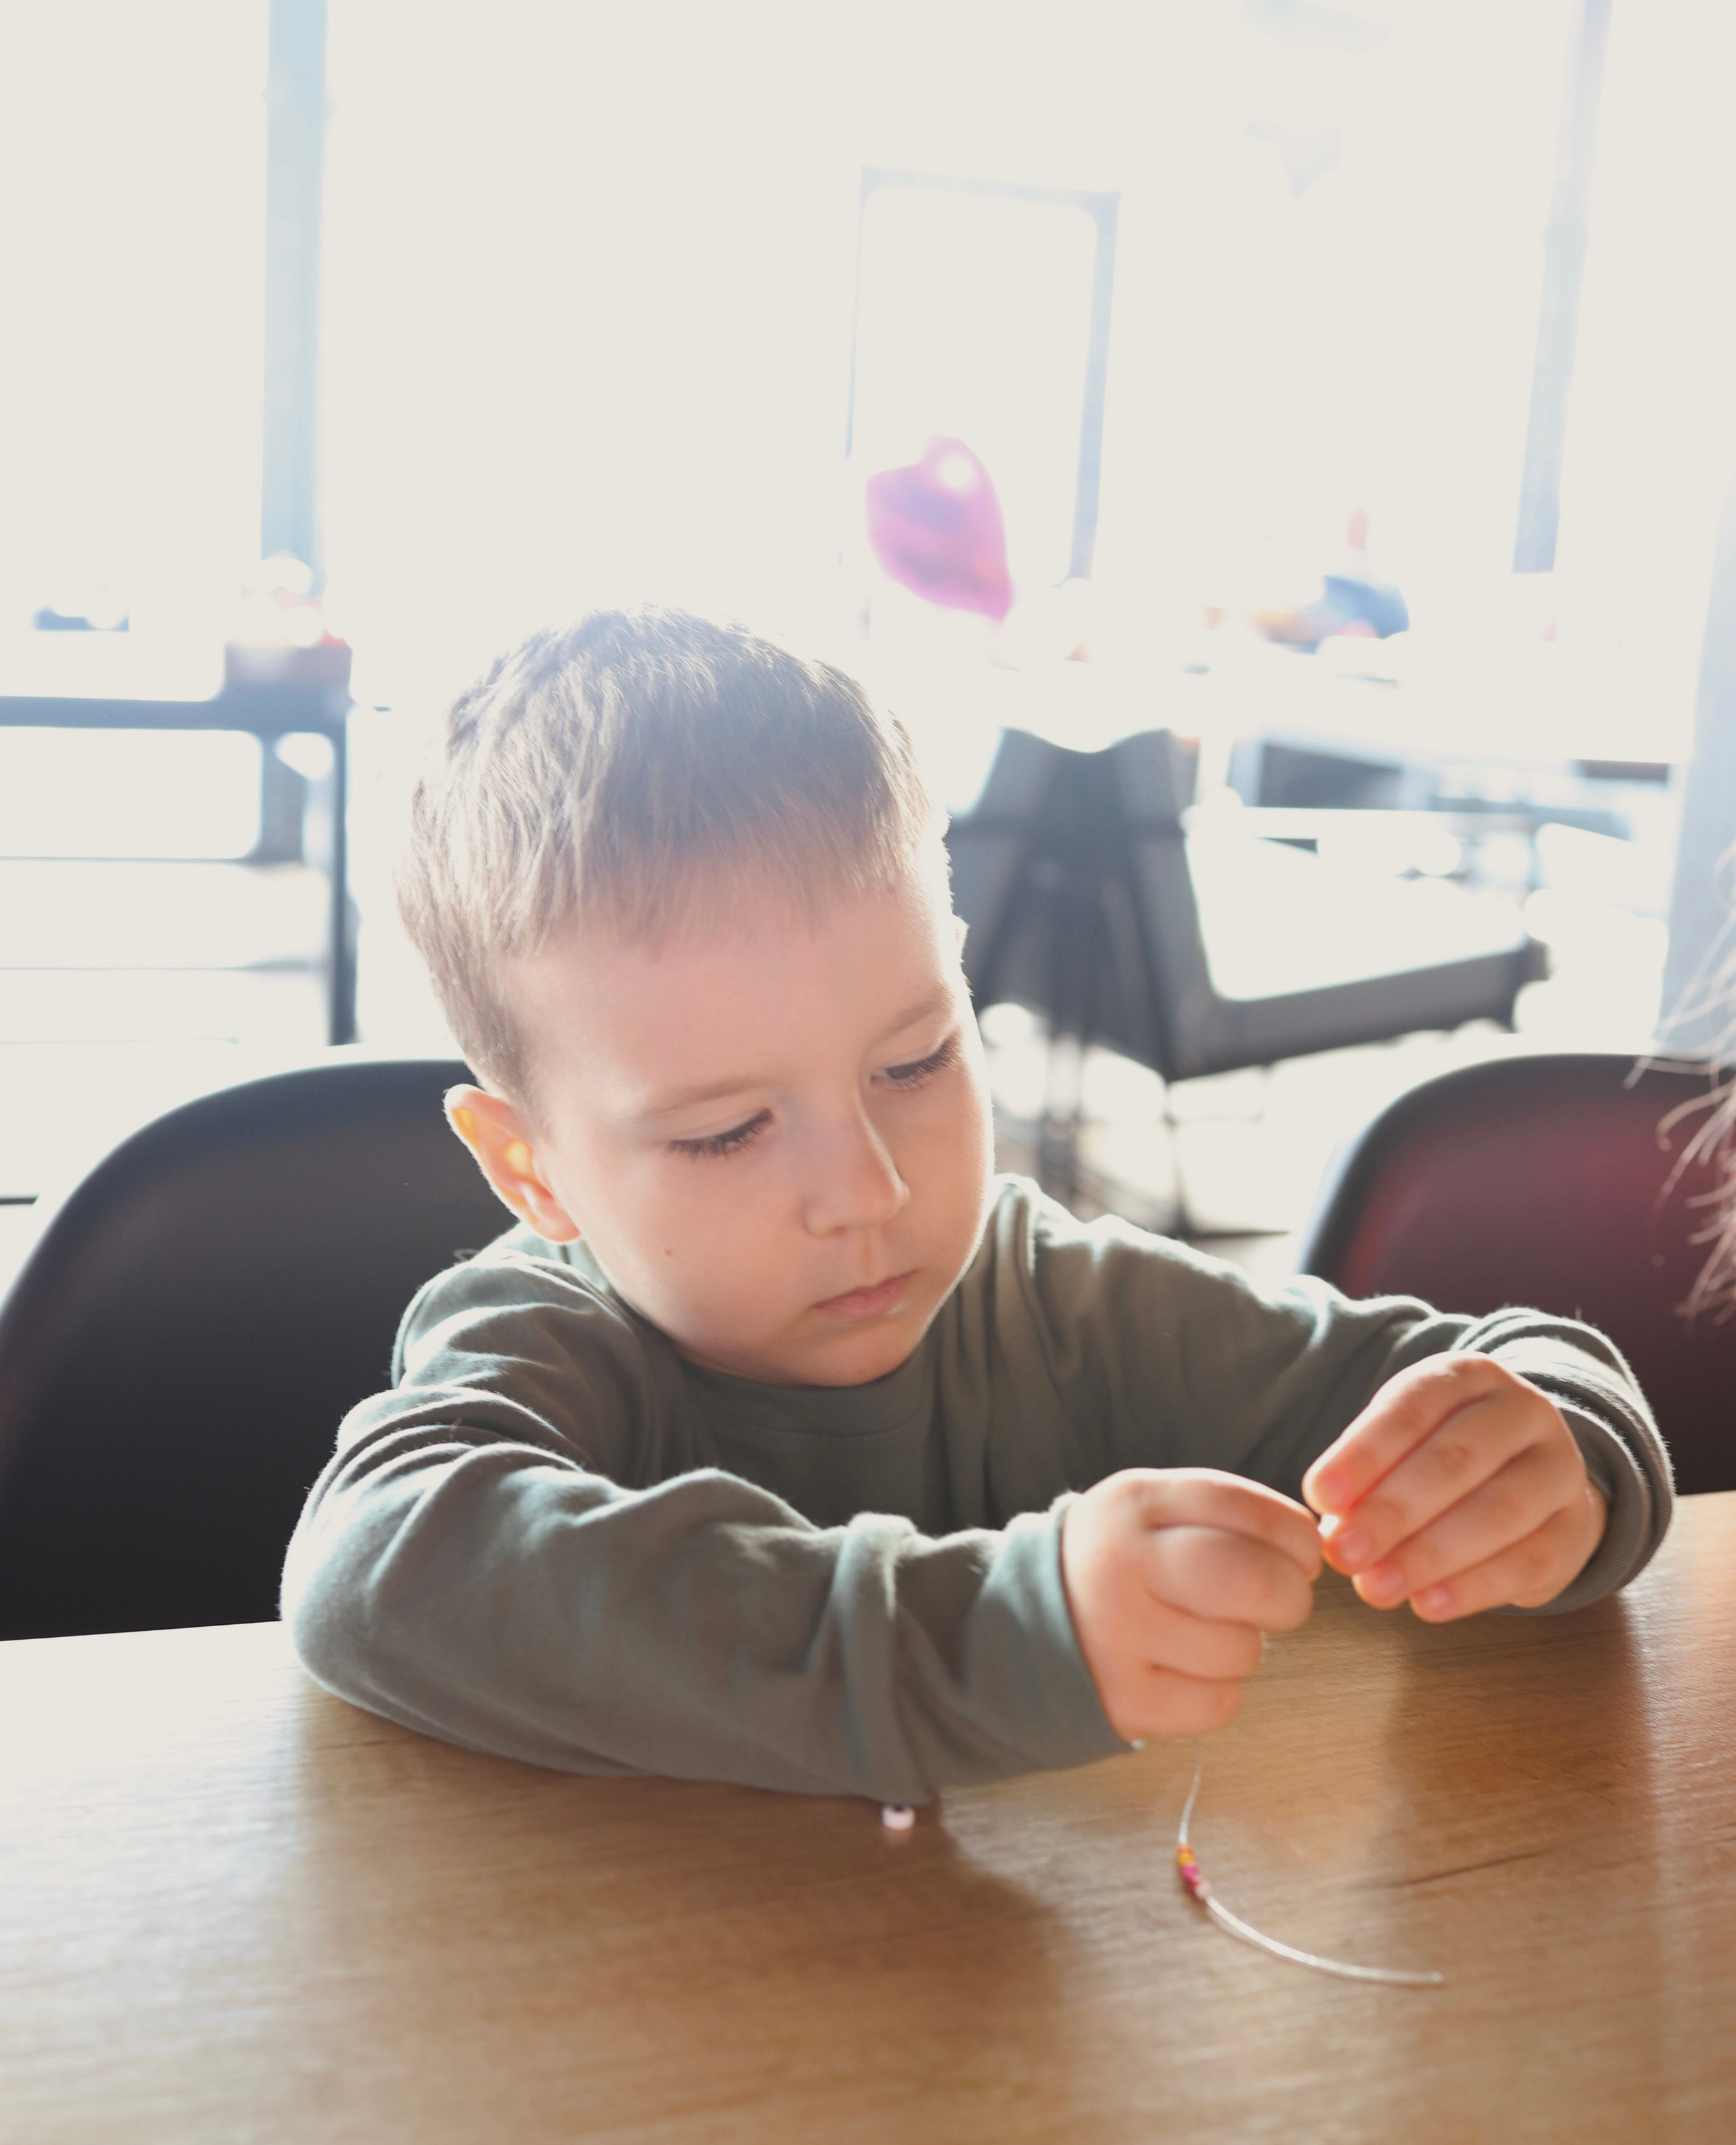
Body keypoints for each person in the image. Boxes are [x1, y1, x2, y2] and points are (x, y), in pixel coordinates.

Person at [283, 609, 1672, 1801]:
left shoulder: (1057, 1301)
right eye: (724, 1133)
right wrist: (989, 1640)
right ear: (531, 1171)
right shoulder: (541, 1339)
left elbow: (1474, 1369)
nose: (866, 1192)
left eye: (916, 1061)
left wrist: (1554, 1455)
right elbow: (378, 1567)